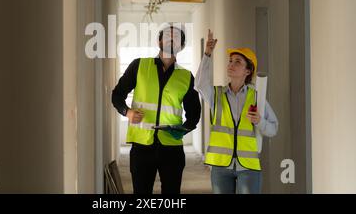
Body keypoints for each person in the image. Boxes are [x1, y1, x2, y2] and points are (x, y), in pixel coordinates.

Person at [112, 23, 201, 194]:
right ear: (159, 40)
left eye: (176, 38)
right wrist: (127, 112)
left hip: (172, 148)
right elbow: (117, 95)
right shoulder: (139, 66)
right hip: (142, 146)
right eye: (167, 35)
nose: (171, 39)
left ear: (181, 46)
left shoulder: (186, 77)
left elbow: (194, 114)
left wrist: (183, 130)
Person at [195, 29, 278, 194]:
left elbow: (273, 128)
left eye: (237, 62)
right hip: (220, 166)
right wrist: (207, 54)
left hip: (248, 167)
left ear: (248, 71)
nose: (231, 64)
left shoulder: (256, 97)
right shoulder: (217, 95)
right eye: (230, 61)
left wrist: (259, 121)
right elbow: (200, 84)